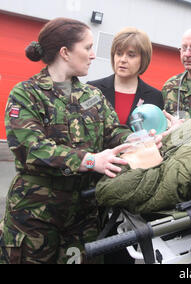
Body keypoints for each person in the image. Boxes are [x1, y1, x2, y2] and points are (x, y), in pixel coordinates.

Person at [0, 18, 160, 264]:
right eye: (87, 48)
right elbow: (30, 148)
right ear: (65, 52)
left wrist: (138, 140)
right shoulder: (26, 93)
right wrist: (89, 160)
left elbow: (113, 131)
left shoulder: (92, 95)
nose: (93, 55)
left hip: (83, 216)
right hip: (35, 217)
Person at [88, 27, 164, 127]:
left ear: (143, 59)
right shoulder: (92, 89)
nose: (123, 59)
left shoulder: (154, 97)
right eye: (119, 54)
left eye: (131, 55)